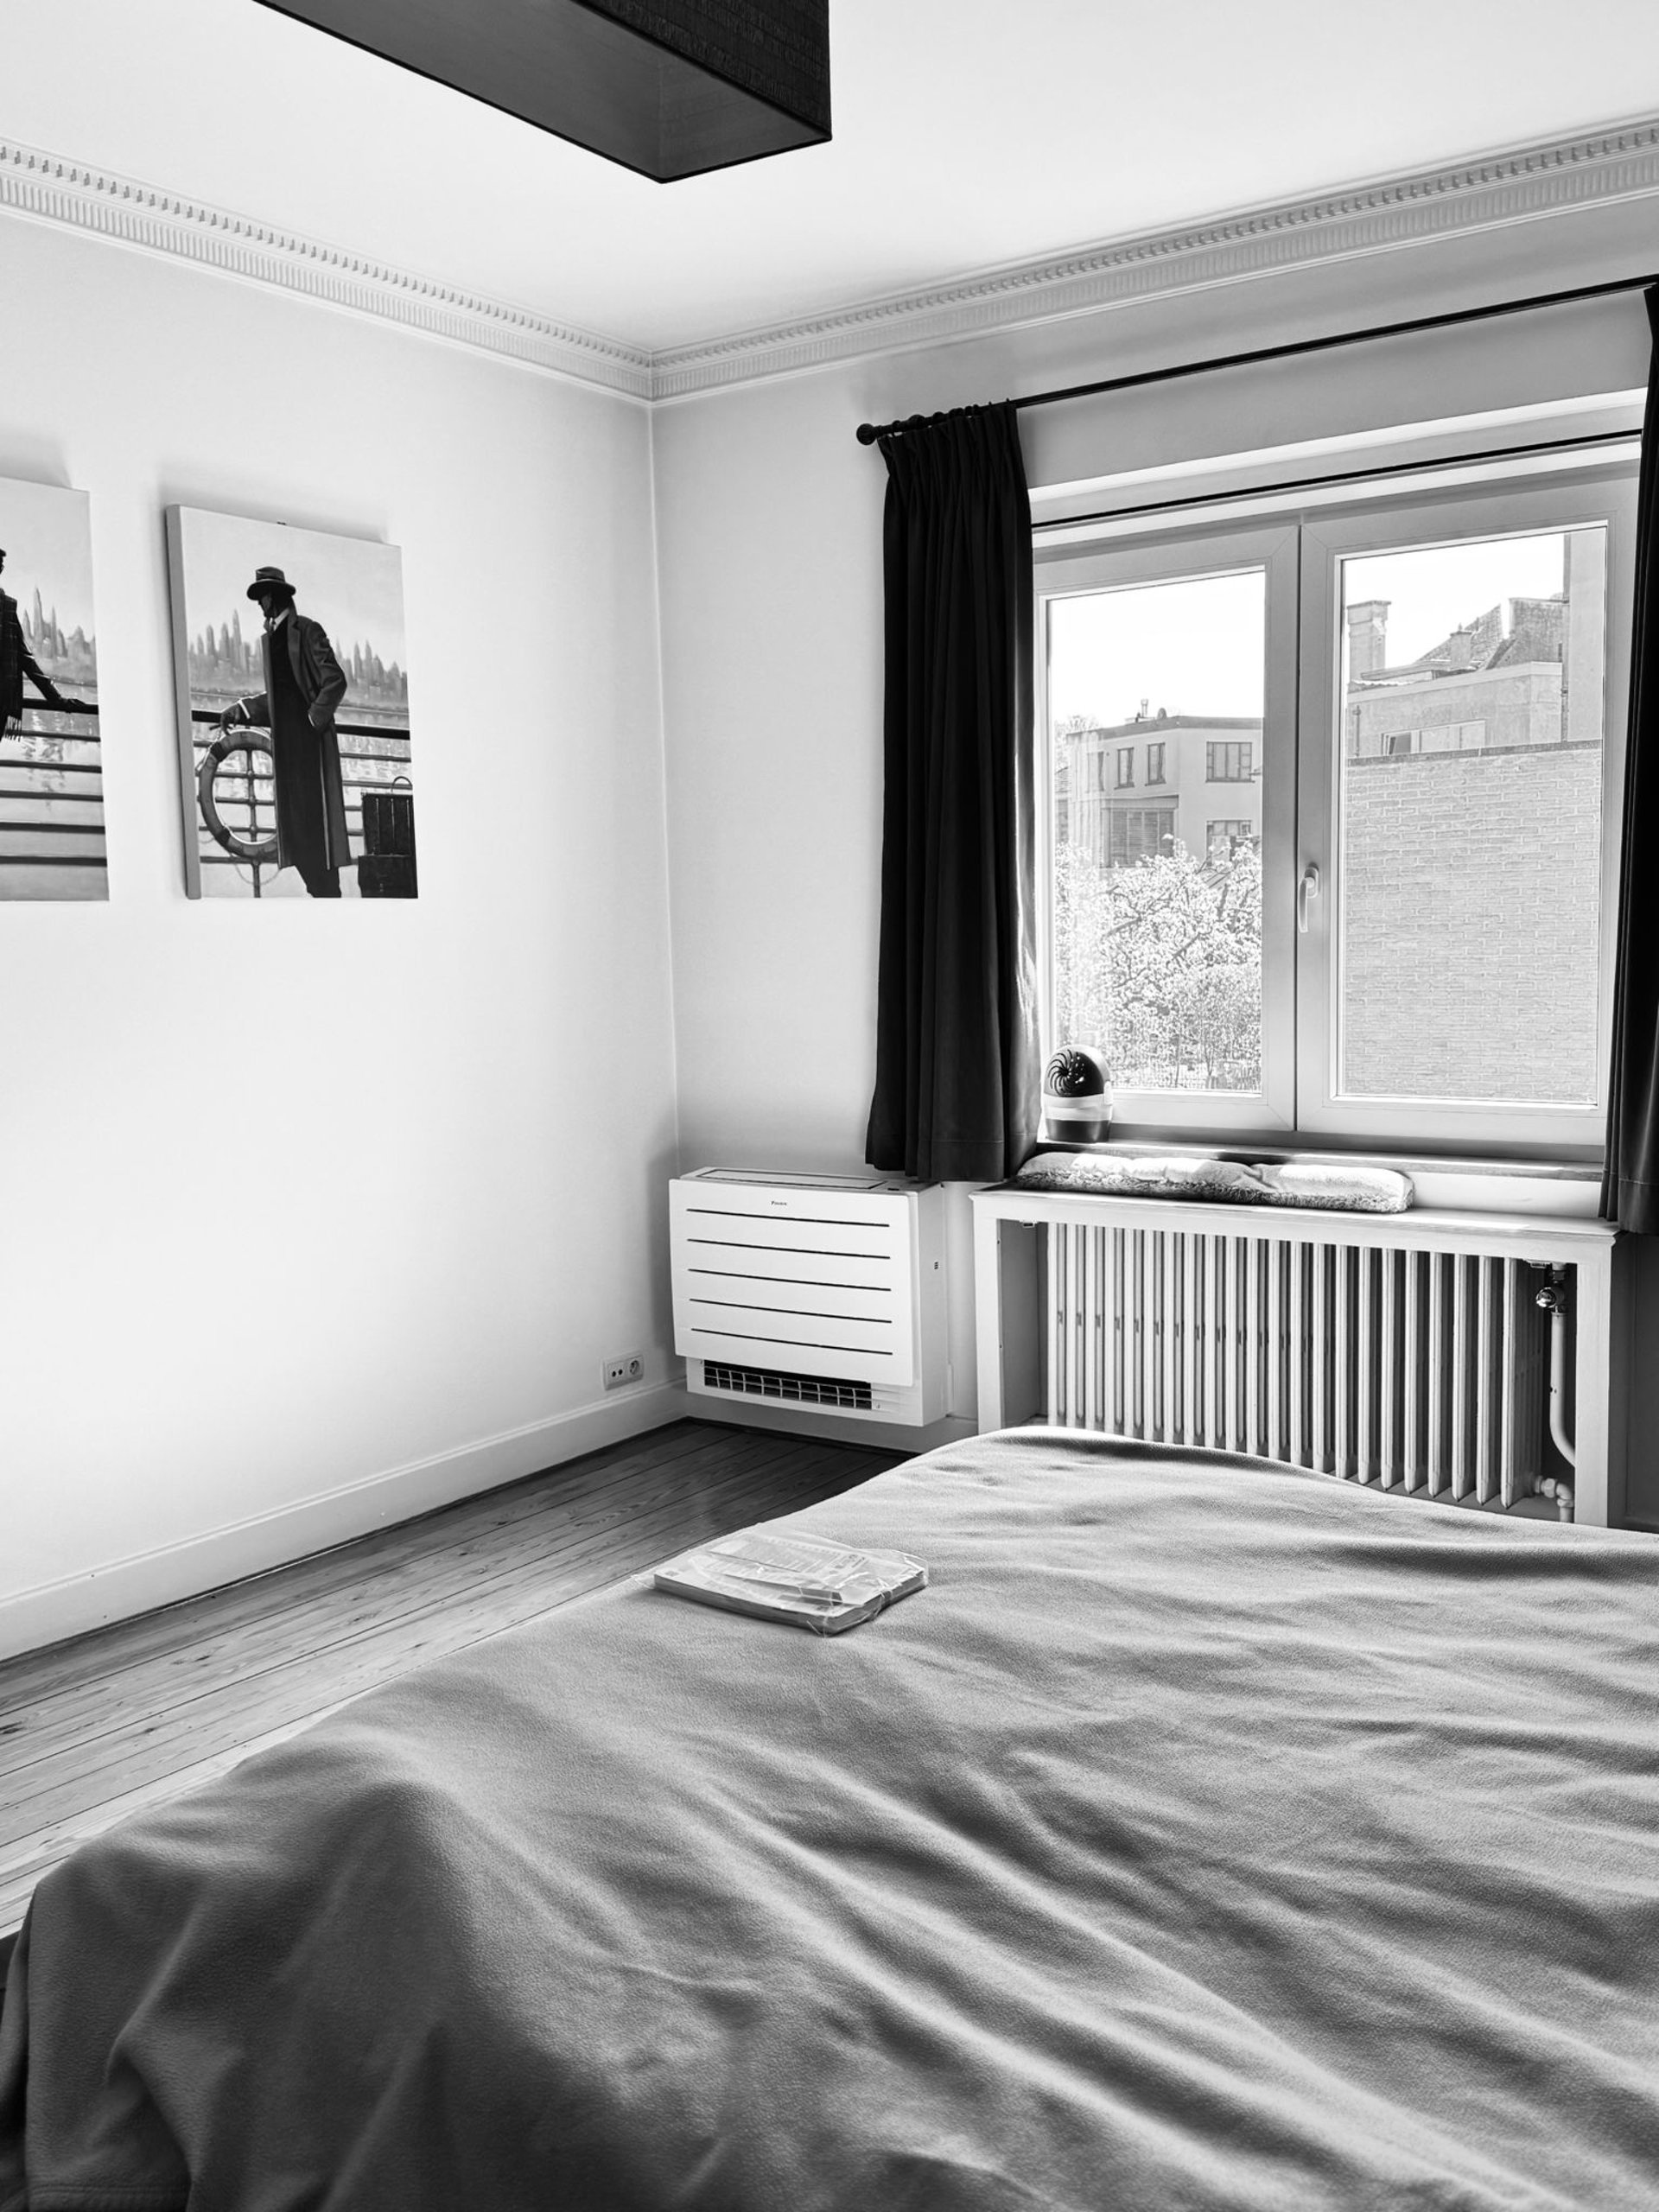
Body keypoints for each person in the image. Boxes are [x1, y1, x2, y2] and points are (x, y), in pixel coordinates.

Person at [219, 565, 351, 897]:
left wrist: (311, 720)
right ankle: (320, 893)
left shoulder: (307, 630)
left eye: (262, 597)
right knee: (296, 827)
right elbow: (280, 696)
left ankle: (328, 895)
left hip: (310, 747)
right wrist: (242, 709)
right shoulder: (271, 638)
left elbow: (335, 681)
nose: (259, 604)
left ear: (274, 597)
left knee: (314, 827)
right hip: (287, 749)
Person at [0, 546, 80, 736]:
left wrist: (56, 699)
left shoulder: (7, 607)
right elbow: (26, 659)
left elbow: (25, 658)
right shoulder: (6, 607)